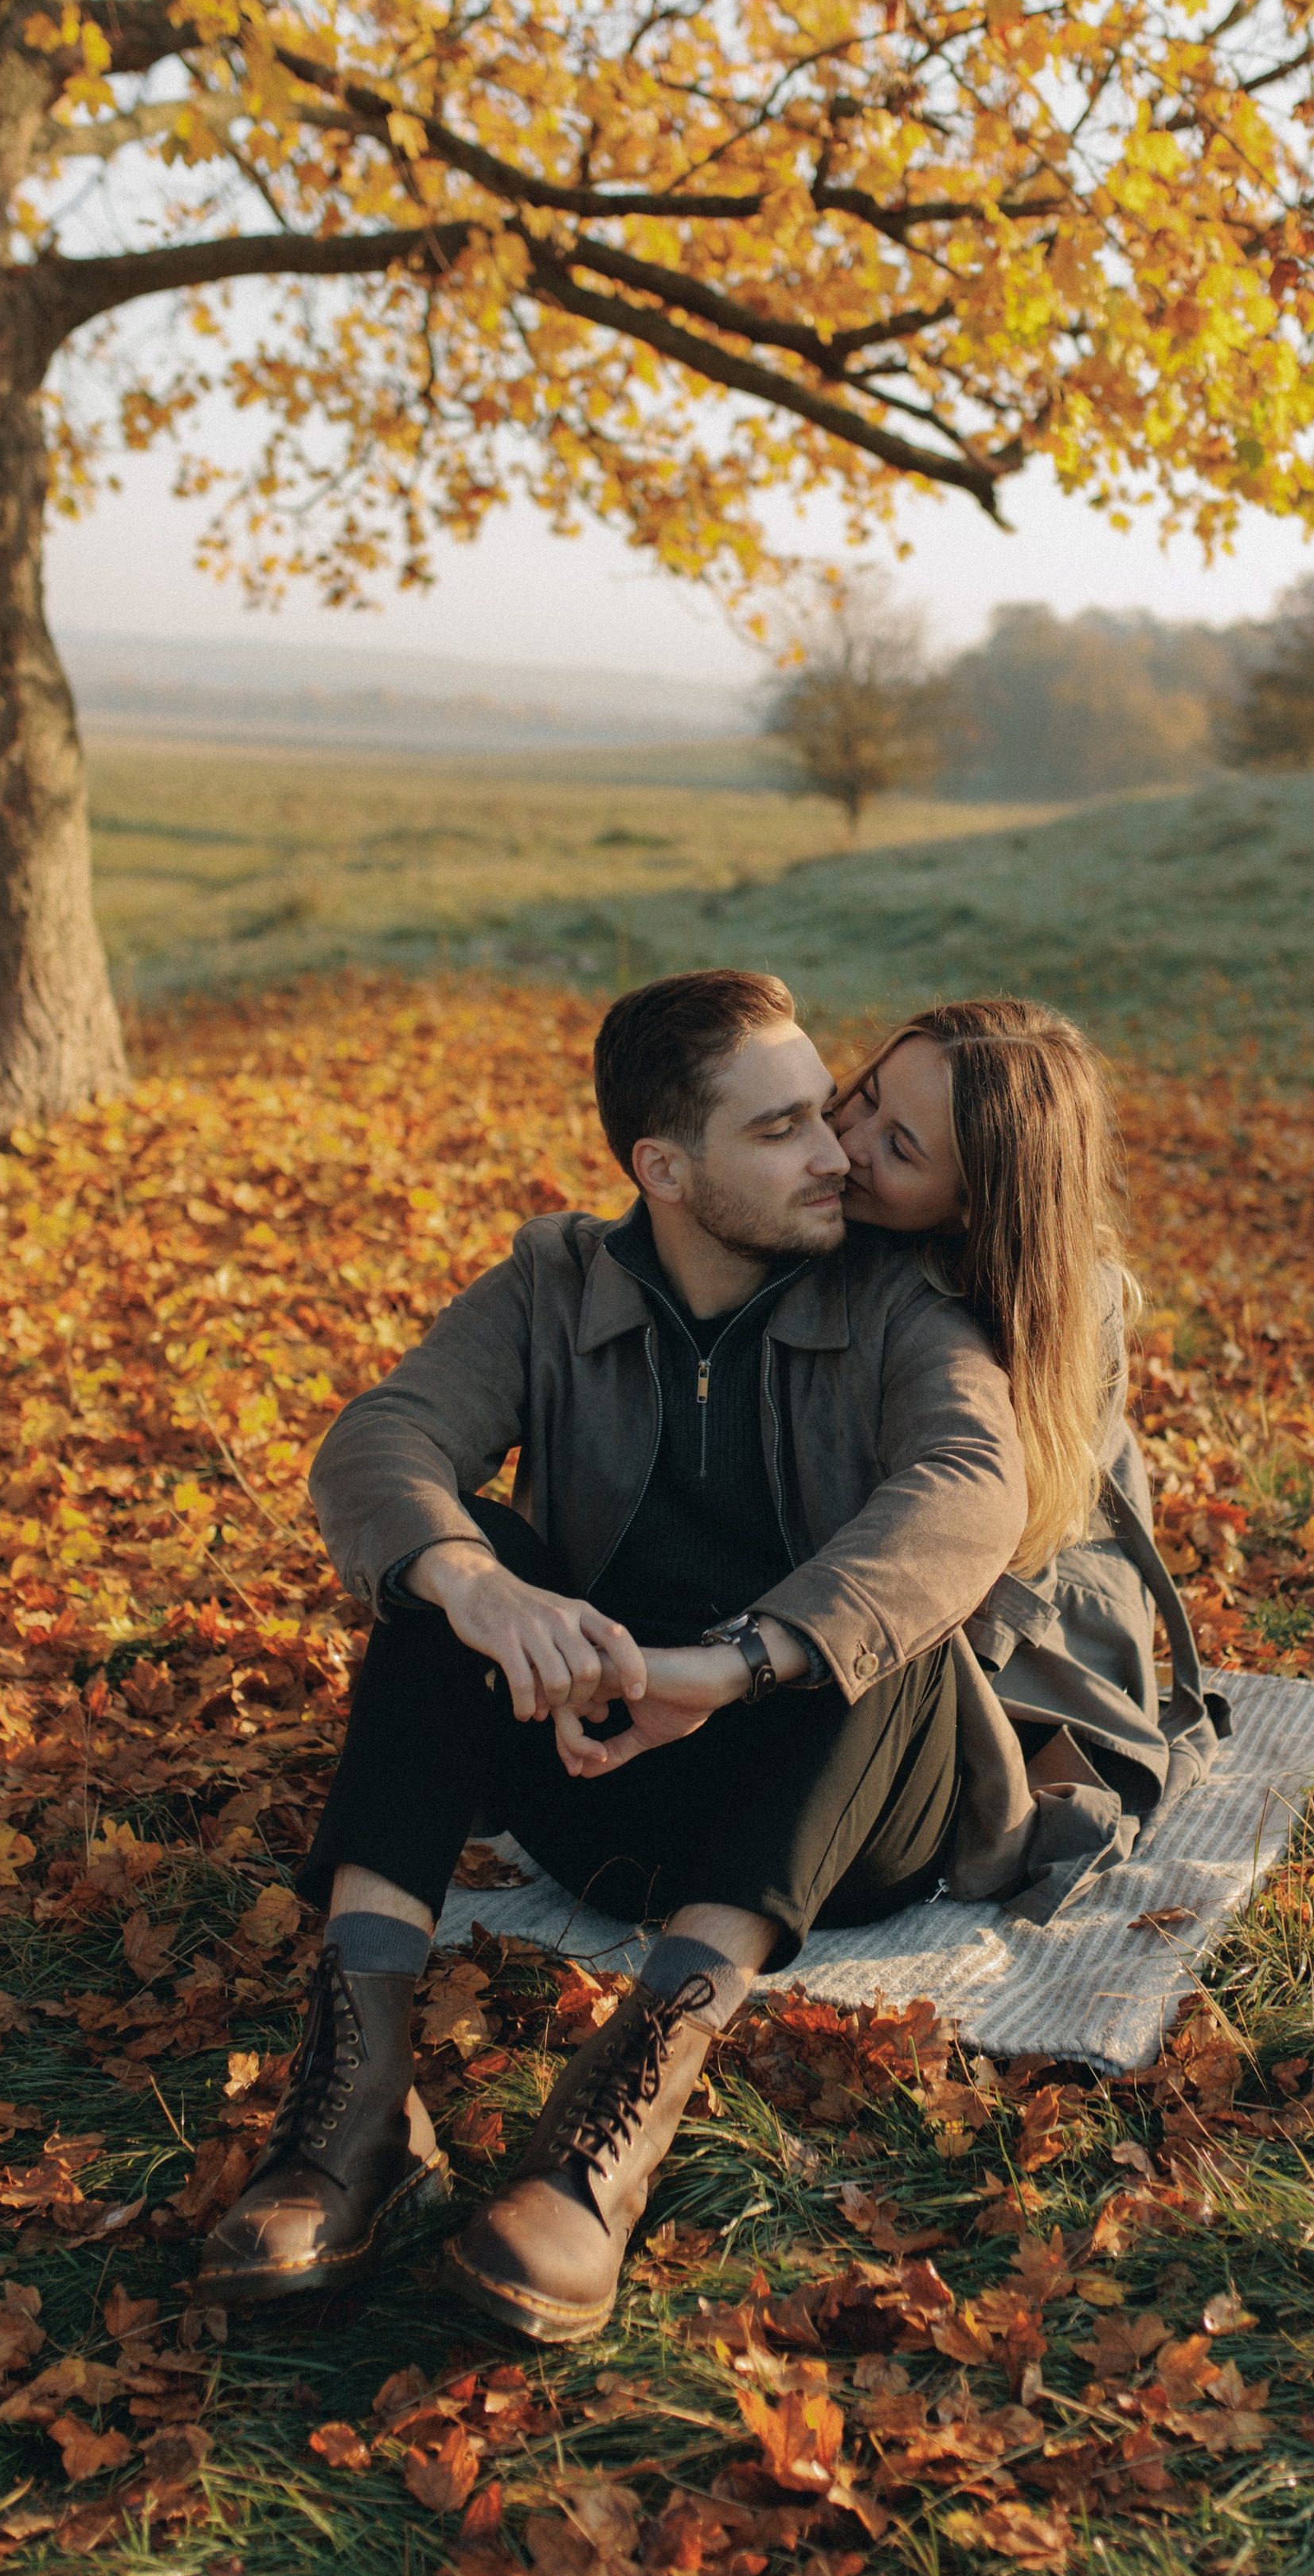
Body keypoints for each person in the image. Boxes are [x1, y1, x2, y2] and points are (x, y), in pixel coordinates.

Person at [192, 969, 1028, 2342]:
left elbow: (967, 1491)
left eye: (832, 1115)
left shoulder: (896, 1306)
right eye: (782, 1132)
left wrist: (745, 1661)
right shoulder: (555, 1281)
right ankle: (353, 2109)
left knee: (887, 1630)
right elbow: (379, 1441)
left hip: (833, 1821)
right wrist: (476, 1587)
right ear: (668, 1168)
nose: (832, 1157)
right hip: (601, 1771)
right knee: (453, 1577)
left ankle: (614, 2120)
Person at [831, 998, 1226, 1896]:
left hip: (1028, 1592)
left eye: (900, 1148)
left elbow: (1014, 1543)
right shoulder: (823, 1202)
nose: (850, 1140)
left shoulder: (1059, 1307)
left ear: (975, 1206)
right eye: (866, 1099)